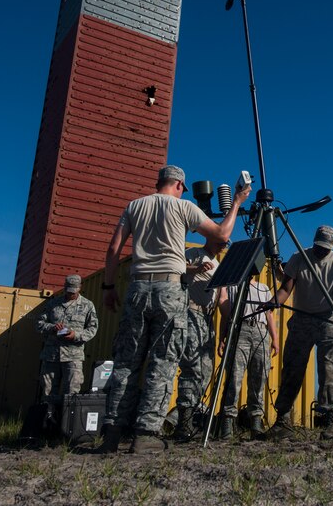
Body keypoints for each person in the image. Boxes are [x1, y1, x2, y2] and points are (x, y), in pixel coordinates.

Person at [99, 165, 250, 453]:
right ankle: (145, 435)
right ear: (179, 185)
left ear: (159, 182)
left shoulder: (134, 206)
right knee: (162, 362)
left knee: (126, 363)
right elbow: (220, 233)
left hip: (137, 287)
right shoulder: (183, 207)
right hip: (170, 289)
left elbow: (113, 249)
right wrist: (238, 201)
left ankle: (112, 433)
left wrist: (108, 288)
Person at [263, 225, 333, 441]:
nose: (322, 251)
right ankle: (283, 422)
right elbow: (285, 290)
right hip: (302, 318)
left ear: (332, 248)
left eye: (326, 249)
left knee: (331, 368)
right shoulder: (298, 258)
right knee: (292, 367)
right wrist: (274, 302)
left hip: (328, 319)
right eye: (319, 247)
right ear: (314, 242)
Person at [172, 236, 229, 441]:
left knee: (206, 369)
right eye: (221, 242)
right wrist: (196, 269)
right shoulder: (193, 254)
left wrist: (226, 327)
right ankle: (183, 423)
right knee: (192, 367)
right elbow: (177, 270)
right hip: (191, 312)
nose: (223, 246)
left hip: (208, 317)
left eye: (226, 244)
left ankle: (191, 414)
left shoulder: (219, 265)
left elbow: (222, 298)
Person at [216, 277, 279, 440]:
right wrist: (222, 338)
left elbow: (269, 315)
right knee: (234, 377)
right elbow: (226, 315)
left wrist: (275, 339)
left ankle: (256, 424)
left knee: (259, 378)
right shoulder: (232, 286)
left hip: (260, 331)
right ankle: (227, 423)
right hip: (239, 329)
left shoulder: (264, 288)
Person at [35, 274, 99, 420]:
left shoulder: (88, 306)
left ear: (79, 288)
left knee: (72, 391)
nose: (71, 294)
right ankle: (47, 425)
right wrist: (52, 327)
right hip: (51, 355)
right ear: (64, 288)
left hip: (73, 355)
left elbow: (93, 329)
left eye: (74, 291)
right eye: (69, 291)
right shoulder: (53, 304)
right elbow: (39, 324)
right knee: (48, 391)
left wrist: (75, 335)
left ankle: (67, 425)